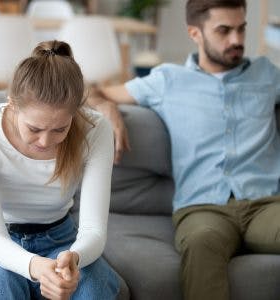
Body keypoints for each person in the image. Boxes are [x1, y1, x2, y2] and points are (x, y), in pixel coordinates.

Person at [87, 0, 280, 299]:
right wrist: (107, 108)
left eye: (242, 29)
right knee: (201, 244)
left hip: (266, 205)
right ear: (195, 33)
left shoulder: (267, 74)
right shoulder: (167, 80)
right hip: (202, 209)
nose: (237, 40)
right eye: (224, 30)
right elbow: (90, 90)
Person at [0, 40, 119, 300]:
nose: (45, 142)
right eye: (34, 129)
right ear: (12, 105)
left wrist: (72, 259)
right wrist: (35, 267)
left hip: (61, 239)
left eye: (60, 129)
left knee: (94, 287)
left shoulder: (96, 129)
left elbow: (93, 231)